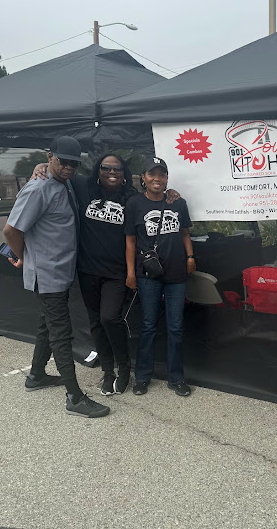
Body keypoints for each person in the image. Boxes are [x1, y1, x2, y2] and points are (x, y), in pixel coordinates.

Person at [32, 155, 180, 396]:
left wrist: (171, 193)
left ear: (125, 173)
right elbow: (59, 170)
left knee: (110, 318)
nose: (112, 172)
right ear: (98, 171)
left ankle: (123, 368)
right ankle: (108, 371)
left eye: (118, 169)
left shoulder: (132, 198)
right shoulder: (84, 188)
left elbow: (154, 201)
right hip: (88, 269)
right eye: (106, 168)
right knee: (95, 324)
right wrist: (41, 166)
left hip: (117, 272)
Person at [3, 136, 110, 417]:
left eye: (74, 163)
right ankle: (74, 397)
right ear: (51, 156)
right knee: (61, 333)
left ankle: (36, 375)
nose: (69, 168)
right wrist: (25, 257)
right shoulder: (37, 189)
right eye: (63, 161)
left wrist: (46, 167)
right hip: (48, 275)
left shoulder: (63, 182)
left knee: (46, 324)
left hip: (61, 272)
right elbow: (11, 231)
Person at [125, 156, 195, 396]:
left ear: (167, 178)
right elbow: (130, 242)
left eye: (162, 174)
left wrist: (190, 257)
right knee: (148, 326)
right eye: (152, 174)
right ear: (143, 178)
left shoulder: (177, 202)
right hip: (148, 274)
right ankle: (143, 377)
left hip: (176, 273)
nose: (157, 178)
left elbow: (185, 233)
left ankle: (176, 378)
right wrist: (131, 273)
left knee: (175, 327)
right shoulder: (134, 204)